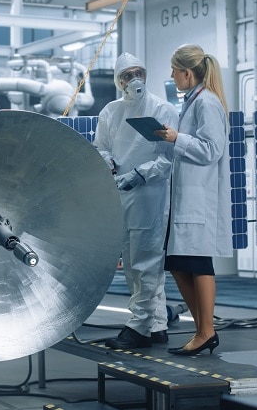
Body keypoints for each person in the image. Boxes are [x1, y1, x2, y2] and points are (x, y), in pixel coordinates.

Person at [94, 52, 179, 349]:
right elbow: (101, 147)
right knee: (132, 261)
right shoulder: (110, 112)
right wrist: (110, 164)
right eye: (128, 75)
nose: (134, 80)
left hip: (149, 195)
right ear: (119, 81)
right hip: (121, 193)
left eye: (138, 72)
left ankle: (139, 327)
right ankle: (157, 324)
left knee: (147, 261)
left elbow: (166, 159)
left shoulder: (163, 109)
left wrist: (140, 175)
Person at [154, 44, 232, 356]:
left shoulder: (207, 103)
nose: (172, 76)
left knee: (198, 263)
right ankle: (204, 328)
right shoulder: (193, 102)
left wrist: (177, 138)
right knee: (177, 262)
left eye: (174, 70)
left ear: (188, 73)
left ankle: (205, 331)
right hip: (186, 197)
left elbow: (212, 149)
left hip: (199, 199)